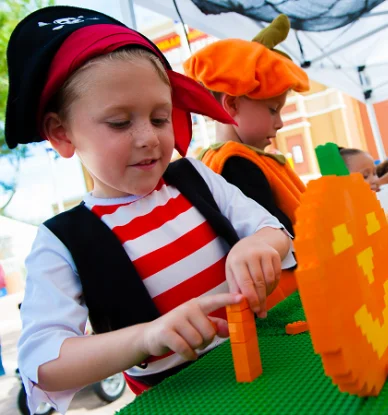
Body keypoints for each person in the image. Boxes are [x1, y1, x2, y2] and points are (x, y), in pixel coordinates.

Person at [7, 7, 294, 414]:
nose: (148, 138)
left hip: (270, 363)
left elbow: (273, 229)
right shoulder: (62, 241)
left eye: (160, 118)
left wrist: (259, 245)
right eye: (121, 123)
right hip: (179, 399)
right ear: (61, 132)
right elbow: (43, 362)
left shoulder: (196, 178)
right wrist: (145, 337)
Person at [185, 15, 309, 237]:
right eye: (273, 110)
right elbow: (277, 227)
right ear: (232, 104)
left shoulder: (221, 160)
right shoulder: (236, 164)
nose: (279, 123)